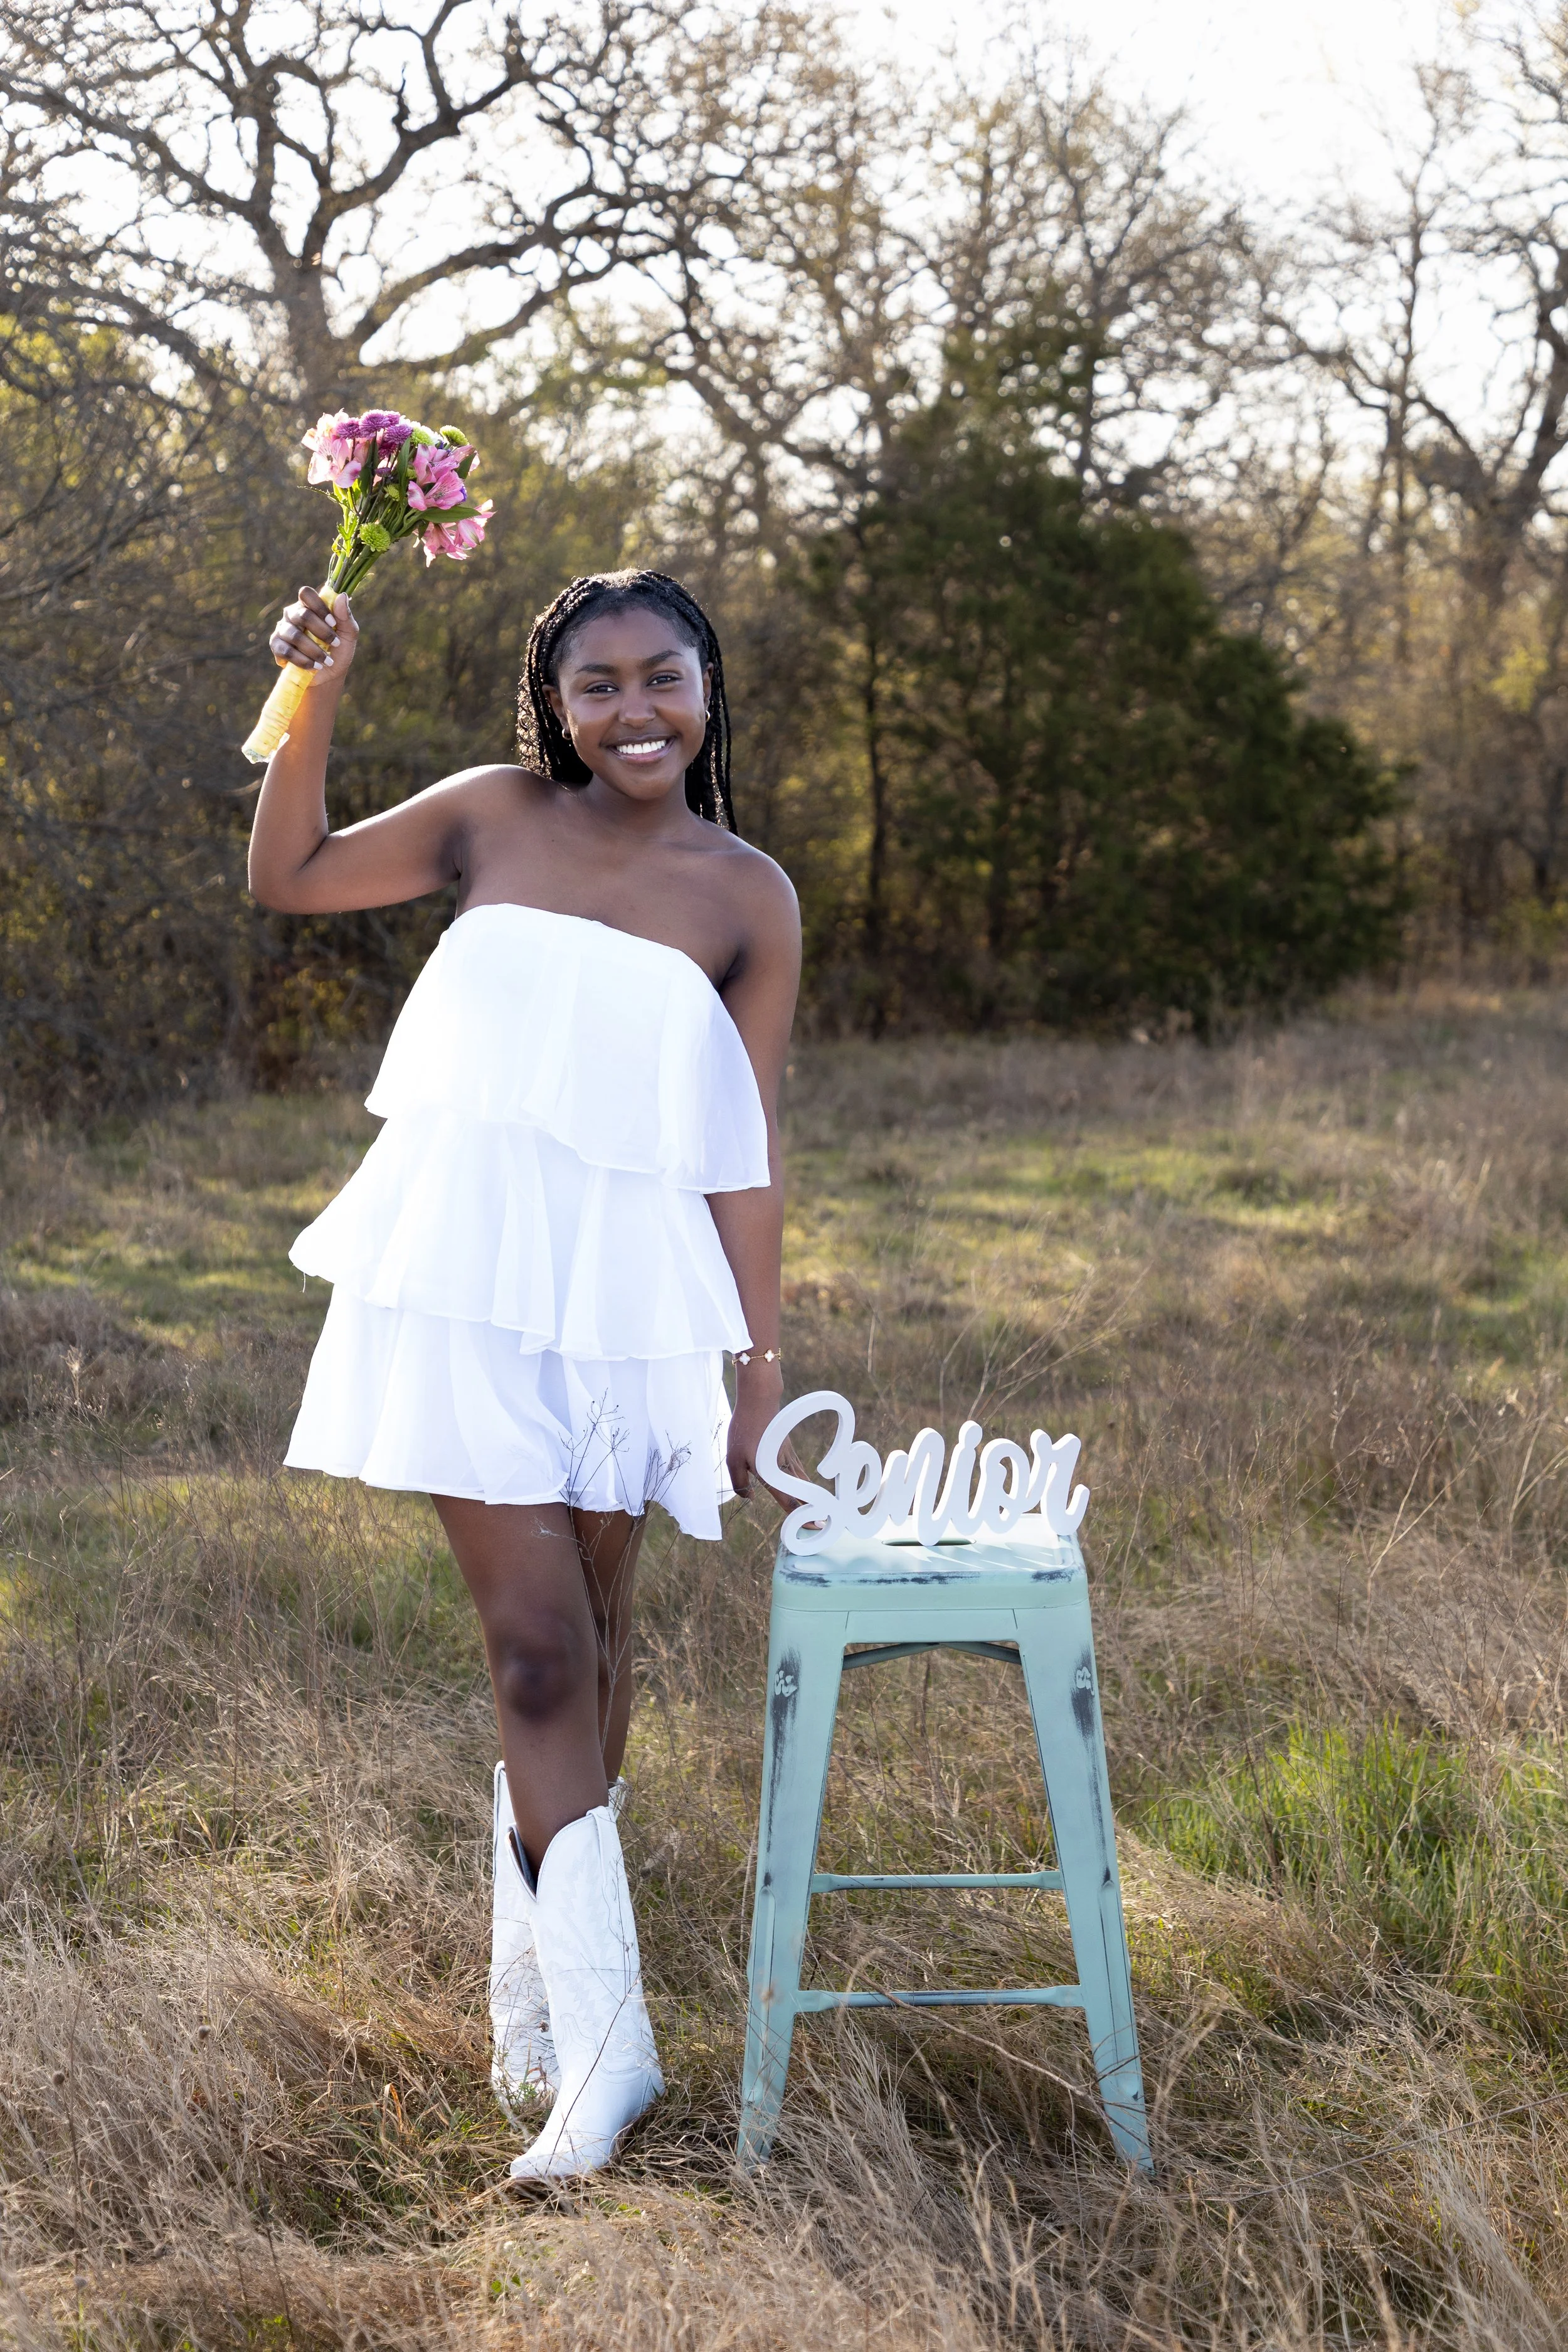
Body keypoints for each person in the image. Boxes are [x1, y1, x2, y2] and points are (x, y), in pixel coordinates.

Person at [247, 567, 801, 2183]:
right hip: (470, 1278)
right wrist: (317, 695)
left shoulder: (744, 894)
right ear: (551, 707)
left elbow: (747, 1145)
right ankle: (615, 2061)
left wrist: (757, 1369)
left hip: (632, 1291)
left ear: (709, 691)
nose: (635, 711)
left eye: (664, 679)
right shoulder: (491, 816)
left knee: (603, 1640)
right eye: (598, 686)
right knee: (542, 1653)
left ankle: (536, 2012)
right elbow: (287, 876)